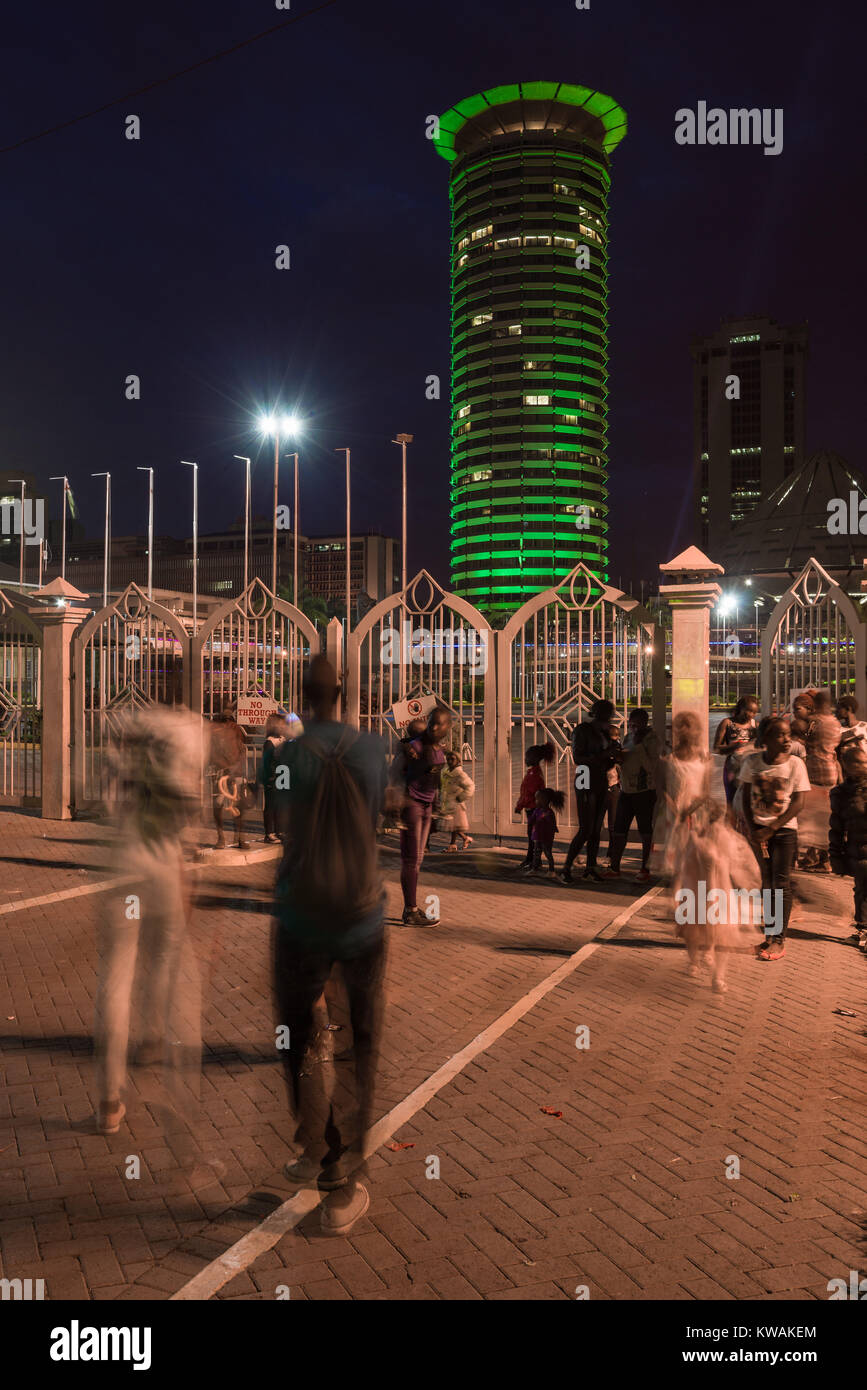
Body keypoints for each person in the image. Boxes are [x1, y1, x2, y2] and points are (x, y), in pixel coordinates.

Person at [272, 656, 387, 1236]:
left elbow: (281, 819)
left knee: (297, 1040)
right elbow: (372, 817)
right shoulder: (371, 750)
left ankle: (319, 1151)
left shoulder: (289, 754)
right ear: (343, 692)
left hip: (301, 914)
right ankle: (342, 1180)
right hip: (362, 914)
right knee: (357, 1045)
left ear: (304, 695)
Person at [93, 707, 216, 1181]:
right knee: (171, 969)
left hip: (124, 859)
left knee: (115, 975)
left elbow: (102, 798)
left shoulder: (123, 725)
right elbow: (189, 808)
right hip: (163, 863)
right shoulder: (190, 730)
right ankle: (170, 1078)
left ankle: (108, 1101)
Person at [672, 795, 762, 993]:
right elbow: (681, 867)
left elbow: (742, 865)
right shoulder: (691, 836)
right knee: (692, 931)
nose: (693, 820)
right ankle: (695, 961)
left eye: (696, 816)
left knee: (722, 936)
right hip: (696, 893)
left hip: (718, 894)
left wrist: (747, 889)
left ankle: (717, 977)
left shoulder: (723, 837)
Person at [739, 715, 809, 961]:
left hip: (784, 831)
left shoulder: (795, 764)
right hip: (758, 831)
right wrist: (752, 830)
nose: (787, 738)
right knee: (766, 883)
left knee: (781, 884)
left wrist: (772, 829)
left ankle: (779, 940)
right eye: (780, 734)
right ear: (766, 739)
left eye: (788, 733)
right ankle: (769, 936)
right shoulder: (752, 762)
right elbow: (746, 799)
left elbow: (799, 802)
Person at [387, 706, 453, 926]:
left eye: (439, 723)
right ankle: (410, 911)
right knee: (411, 859)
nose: (434, 727)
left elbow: (434, 778)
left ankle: (412, 907)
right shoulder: (414, 746)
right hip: (411, 805)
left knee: (418, 860)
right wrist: (397, 799)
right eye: (432, 722)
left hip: (425, 807)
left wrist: (436, 806)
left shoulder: (438, 748)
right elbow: (395, 770)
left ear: (448, 726)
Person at [558, 700, 619, 883]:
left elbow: (608, 757)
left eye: (608, 714)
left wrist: (615, 755)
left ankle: (590, 867)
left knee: (596, 829)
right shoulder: (582, 730)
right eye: (604, 714)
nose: (607, 718)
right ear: (596, 713)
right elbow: (578, 757)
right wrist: (604, 755)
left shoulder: (606, 732)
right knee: (586, 828)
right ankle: (566, 868)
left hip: (601, 780)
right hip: (585, 779)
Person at [653, 711, 711, 891]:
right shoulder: (668, 758)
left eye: (689, 726)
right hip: (673, 813)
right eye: (680, 726)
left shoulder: (704, 757)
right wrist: (673, 807)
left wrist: (690, 809)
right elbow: (660, 786)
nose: (684, 731)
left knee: (695, 855)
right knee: (676, 855)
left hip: (696, 813)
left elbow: (706, 790)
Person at [603, 708, 660, 882]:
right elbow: (625, 759)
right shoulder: (628, 737)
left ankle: (645, 868)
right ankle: (615, 866)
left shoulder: (652, 739)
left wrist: (639, 745)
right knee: (619, 829)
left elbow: (651, 766)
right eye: (630, 724)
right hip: (626, 790)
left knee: (645, 831)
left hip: (644, 791)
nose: (633, 727)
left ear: (644, 723)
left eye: (636, 724)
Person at [829, 741, 867, 952]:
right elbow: (836, 826)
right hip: (857, 850)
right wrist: (836, 855)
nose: (865, 766)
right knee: (861, 890)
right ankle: (862, 931)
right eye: (860, 763)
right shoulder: (840, 793)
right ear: (848, 765)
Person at [799, 690, 841, 872]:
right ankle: (816, 857)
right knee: (824, 818)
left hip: (816, 774)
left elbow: (806, 741)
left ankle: (822, 860)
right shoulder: (836, 722)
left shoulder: (815, 722)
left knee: (813, 819)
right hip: (831, 771)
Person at [209, 702, 251, 849]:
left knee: (238, 804)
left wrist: (237, 769)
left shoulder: (236, 729)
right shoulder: (215, 730)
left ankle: (240, 836)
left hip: (235, 771)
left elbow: (242, 750)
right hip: (221, 772)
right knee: (218, 804)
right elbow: (211, 752)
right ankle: (221, 836)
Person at [514, 742, 555, 869]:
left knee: (533, 836)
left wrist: (519, 806)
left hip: (533, 809)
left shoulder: (533, 775)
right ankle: (532, 859)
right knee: (532, 836)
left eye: (527, 757)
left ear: (534, 759)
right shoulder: (534, 773)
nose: (525, 759)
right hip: (532, 809)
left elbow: (528, 794)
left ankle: (533, 860)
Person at [713, 695, 758, 806]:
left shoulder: (755, 725)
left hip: (749, 767)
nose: (751, 715)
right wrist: (734, 747)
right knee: (731, 801)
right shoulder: (727, 723)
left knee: (747, 801)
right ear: (740, 708)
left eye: (754, 712)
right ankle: (730, 823)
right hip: (732, 768)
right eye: (748, 711)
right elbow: (716, 748)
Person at [260, 712, 292, 843]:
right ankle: (269, 833)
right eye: (281, 724)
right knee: (271, 806)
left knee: (281, 806)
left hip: (284, 776)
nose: (284, 726)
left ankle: (281, 831)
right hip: (273, 778)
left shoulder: (284, 739)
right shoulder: (269, 742)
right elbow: (267, 763)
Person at [440, 750, 475, 852]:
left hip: (456, 804)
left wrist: (461, 797)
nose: (450, 761)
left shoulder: (460, 774)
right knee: (453, 826)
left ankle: (453, 845)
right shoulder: (446, 773)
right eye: (448, 759)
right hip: (447, 803)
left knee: (453, 825)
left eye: (452, 759)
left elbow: (470, 786)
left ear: (458, 761)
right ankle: (464, 839)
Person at [526, 787, 566, 874]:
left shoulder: (549, 812)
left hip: (546, 837)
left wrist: (544, 823)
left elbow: (552, 825)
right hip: (538, 836)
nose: (535, 801)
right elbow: (531, 820)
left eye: (537, 799)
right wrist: (531, 820)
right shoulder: (537, 810)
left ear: (544, 800)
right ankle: (534, 869)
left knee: (548, 853)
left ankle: (551, 870)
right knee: (536, 853)